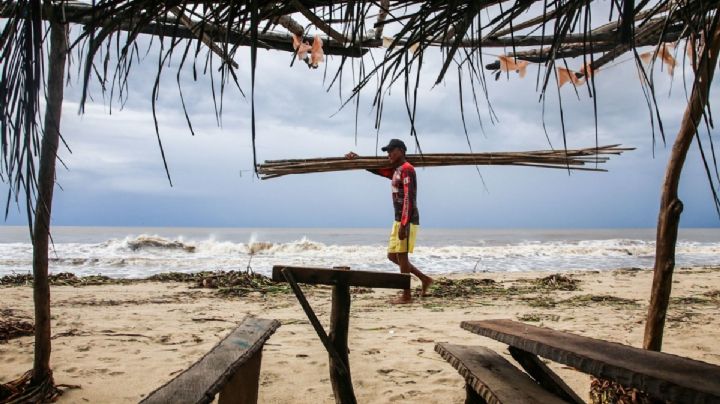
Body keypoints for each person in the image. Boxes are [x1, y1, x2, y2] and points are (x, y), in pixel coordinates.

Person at [346, 139, 433, 304]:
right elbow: (379, 171)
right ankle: (425, 279)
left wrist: (404, 224)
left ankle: (406, 296)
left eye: (391, 151)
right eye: (387, 152)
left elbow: (409, 197)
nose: (388, 155)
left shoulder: (407, 169)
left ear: (400, 150)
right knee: (392, 256)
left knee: (402, 256)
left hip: (406, 220)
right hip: (398, 219)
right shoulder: (396, 170)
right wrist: (358, 160)